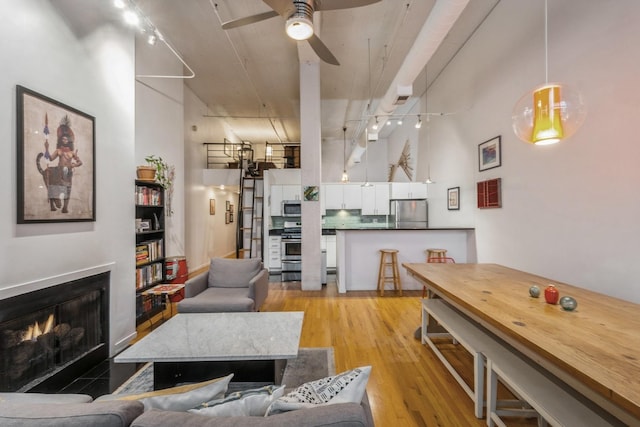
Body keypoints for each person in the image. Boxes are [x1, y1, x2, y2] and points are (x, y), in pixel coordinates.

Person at [43, 116, 82, 213]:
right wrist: (47, 149)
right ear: (61, 140)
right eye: (63, 139)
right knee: (57, 186)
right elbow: (50, 159)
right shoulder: (58, 150)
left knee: (68, 189)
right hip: (59, 171)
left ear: (69, 140)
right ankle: (56, 201)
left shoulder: (72, 152)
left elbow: (80, 162)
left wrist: (74, 165)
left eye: (66, 139)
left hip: (68, 172)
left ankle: (65, 208)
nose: (64, 140)